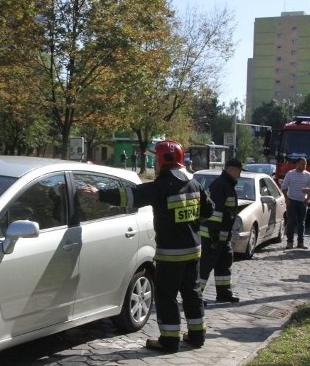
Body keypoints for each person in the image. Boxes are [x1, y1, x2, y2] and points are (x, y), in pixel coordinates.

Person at [81, 140, 214, 352]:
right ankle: (198, 336)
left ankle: (169, 340)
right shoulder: (195, 184)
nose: (154, 164)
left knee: (166, 296)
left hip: (170, 256)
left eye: (156, 160)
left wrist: (99, 194)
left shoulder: (162, 186)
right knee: (192, 294)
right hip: (193, 252)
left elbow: (132, 196)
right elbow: (209, 211)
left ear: (163, 161)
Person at [198, 158, 242, 304]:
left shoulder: (226, 184)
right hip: (212, 236)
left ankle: (224, 294)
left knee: (224, 264)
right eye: (238, 171)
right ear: (230, 170)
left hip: (223, 237)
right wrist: (215, 235)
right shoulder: (220, 185)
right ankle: (195, 296)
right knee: (205, 266)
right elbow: (214, 213)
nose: (240, 175)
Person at [279, 157, 310, 249]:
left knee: (301, 223)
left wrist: (308, 199)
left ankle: (301, 242)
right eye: (302, 164)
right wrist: (286, 199)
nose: (304, 166)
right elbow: (284, 187)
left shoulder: (308, 175)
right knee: (290, 222)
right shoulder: (290, 174)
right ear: (297, 164)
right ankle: (289, 242)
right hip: (292, 200)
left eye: (305, 164)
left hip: (303, 202)